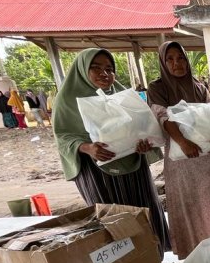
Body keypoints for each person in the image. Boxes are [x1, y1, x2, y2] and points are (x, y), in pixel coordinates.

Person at [52, 48, 170, 252]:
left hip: (133, 167)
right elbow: (63, 136)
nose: (104, 74)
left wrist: (144, 143)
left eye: (109, 68)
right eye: (95, 68)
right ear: (82, 69)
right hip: (98, 170)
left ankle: (151, 260)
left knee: (144, 214)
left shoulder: (121, 95)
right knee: (113, 221)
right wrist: (88, 147)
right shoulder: (68, 100)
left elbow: (141, 126)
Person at [148, 41, 210, 259]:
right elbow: (162, 117)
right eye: (170, 59)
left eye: (180, 58)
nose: (176, 63)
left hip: (209, 160)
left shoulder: (198, 86)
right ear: (163, 62)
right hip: (183, 161)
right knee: (191, 207)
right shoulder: (157, 88)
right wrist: (183, 142)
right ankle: (195, 256)